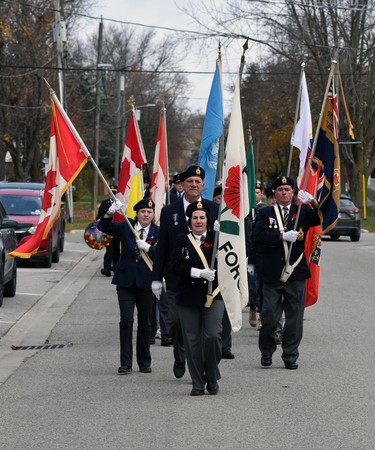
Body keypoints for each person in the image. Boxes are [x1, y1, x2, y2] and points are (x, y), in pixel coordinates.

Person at [151, 165, 219, 380]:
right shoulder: (170, 211)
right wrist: (155, 277)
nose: (193, 185)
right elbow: (162, 247)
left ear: (203, 185)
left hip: (208, 281)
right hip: (177, 278)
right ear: (182, 185)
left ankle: (200, 365)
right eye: (189, 181)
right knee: (177, 323)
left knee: (206, 329)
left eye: (197, 182)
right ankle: (180, 355)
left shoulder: (213, 209)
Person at [252, 176, 320, 369]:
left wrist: (313, 202)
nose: (284, 193)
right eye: (280, 189)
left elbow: (323, 217)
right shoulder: (265, 213)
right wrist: (281, 236)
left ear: (293, 193)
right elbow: (257, 236)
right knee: (270, 317)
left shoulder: (302, 212)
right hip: (272, 274)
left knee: (295, 318)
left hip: (295, 273)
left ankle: (290, 355)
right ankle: (267, 351)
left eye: (287, 190)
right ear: (275, 193)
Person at [97, 198, 159, 374]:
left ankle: (144, 362)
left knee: (145, 323)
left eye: (149, 212)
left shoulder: (158, 231)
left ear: (153, 214)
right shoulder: (127, 227)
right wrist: (110, 213)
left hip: (147, 282)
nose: (146, 215)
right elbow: (103, 227)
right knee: (126, 321)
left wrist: (148, 248)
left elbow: (163, 254)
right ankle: (125, 363)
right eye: (142, 212)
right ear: (137, 214)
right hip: (125, 281)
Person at [172, 201, 224, 396]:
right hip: (188, 295)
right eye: (195, 218)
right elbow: (174, 267)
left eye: (202, 217)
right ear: (189, 221)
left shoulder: (217, 238)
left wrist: (225, 235)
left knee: (212, 336)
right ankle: (197, 382)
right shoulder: (181, 240)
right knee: (192, 341)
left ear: (208, 220)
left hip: (214, 294)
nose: (199, 221)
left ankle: (211, 374)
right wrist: (198, 273)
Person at [248, 182, 267, 327]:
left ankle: (261, 314)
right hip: (245, 252)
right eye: (252, 192)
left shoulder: (266, 210)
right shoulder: (244, 210)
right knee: (251, 288)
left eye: (257, 192)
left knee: (259, 286)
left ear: (261, 194)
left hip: (259, 253)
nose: (254, 195)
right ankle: (253, 307)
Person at [96, 185, 121, 277]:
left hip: (117, 230)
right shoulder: (104, 203)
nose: (112, 195)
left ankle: (115, 267)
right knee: (109, 250)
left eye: (114, 193)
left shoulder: (120, 203)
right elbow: (99, 216)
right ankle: (107, 268)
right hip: (108, 230)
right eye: (111, 193)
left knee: (117, 250)